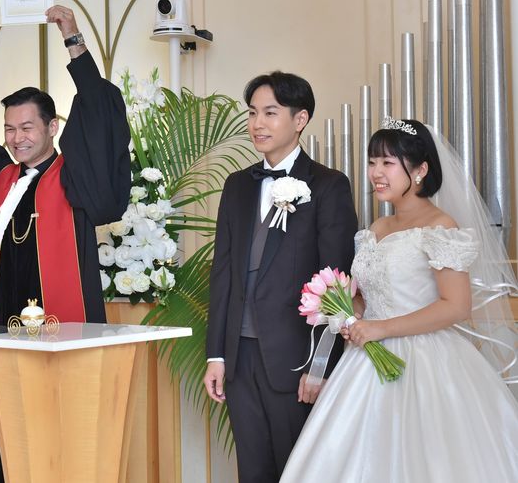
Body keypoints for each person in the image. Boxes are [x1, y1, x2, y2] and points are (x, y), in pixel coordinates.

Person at [0, 7, 131, 482]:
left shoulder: (75, 178)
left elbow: (100, 116)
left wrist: (74, 41)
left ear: (52, 127)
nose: (17, 138)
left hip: (58, 339)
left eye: (27, 127)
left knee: (59, 447)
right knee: (6, 448)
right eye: (9, 128)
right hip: (1, 343)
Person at [280, 118, 518, 482]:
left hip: (426, 360)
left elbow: (456, 306)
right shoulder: (376, 228)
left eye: (388, 163)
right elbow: (371, 296)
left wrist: (381, 328)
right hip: (365, 362)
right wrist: (349, 311)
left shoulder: (441, 227)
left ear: (420, 170)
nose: (376, 172)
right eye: (372, 161)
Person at [204, 71, 358, 483]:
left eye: (270, 113)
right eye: (252, 113)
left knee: (299, 470)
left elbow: (336, 282)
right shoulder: (237, 185)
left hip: (296, 359)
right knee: (252, 470)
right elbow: (223, 273)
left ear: (300, 118)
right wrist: (216, 355)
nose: (257, 123)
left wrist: (321, 365)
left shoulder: (328, 185)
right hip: (238, 359)